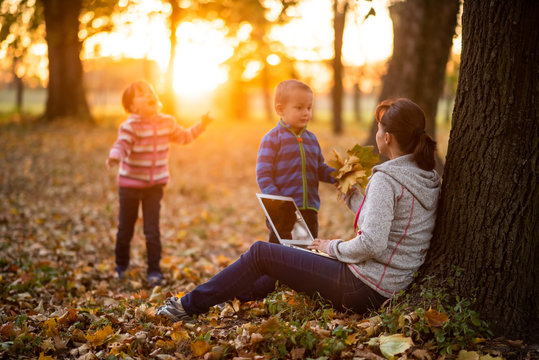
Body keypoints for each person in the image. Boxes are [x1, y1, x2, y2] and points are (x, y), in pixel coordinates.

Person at [157, 97, 440, 321]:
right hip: (387, 285)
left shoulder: (386, 180)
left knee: (261, 253)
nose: (377, 133)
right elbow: (392, 221)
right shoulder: (426, 176)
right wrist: (353, 197)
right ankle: (216, 294)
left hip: (363, 287)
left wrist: (330, 247)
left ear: (387, 137)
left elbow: (373, 243)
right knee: (278, 262)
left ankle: (185, 306)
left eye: (379, 128)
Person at [106, 80, 212, 286]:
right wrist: (114, 156)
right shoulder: (130, 126)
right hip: (130, 186)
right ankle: (121, 265)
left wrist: (201, 126)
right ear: (133, 106)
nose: (149, 95)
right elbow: (122, 144)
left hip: (154, 187)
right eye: (142, 94)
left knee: (152, 229)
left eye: (150, 91)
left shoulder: (167, 122)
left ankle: (154, 270)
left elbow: (184, 137)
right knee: (125, 228)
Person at [256, 79, 335, 244]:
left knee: (306, 254)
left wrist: (338, 176)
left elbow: (319, 168)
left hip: (309, 210)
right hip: (283, 210)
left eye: (309, 108)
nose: (306, 113)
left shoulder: (311, 139)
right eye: (299, 108)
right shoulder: (272, 139)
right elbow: (263, 174)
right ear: (280, 109)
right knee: (279, 252)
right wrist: (277, 199)